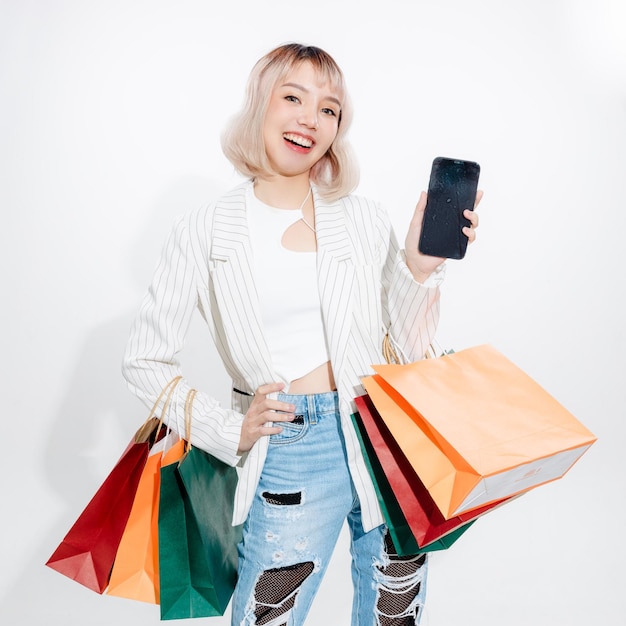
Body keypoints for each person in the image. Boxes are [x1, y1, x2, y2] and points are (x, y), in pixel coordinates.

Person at [122, 42, 480, 626]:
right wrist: (230, 429)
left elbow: (409, 348)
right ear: (260, 105)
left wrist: (418, 267)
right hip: (290, 447)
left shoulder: (362, 219)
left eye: (329, 108)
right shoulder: (207, 230)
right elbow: (144, 361)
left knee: (395, 615)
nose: (311, 118)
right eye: (294, 97)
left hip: (382, 438)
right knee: (268, 617)